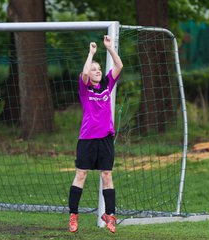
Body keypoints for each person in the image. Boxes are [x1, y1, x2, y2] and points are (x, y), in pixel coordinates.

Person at [68, 35, 123, 234]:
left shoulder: (108, 84)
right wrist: (91, 53)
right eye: (94, 69)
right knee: (81, 174)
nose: (97, 71)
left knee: (107, 175)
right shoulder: (85, 88)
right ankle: (73, 215)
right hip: (87, 139)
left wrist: (109, 48)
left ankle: (110, 215)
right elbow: (84, 72)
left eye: (99, 69)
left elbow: (119, 65)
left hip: (106, 139)